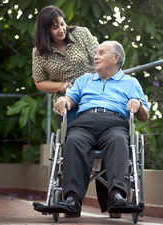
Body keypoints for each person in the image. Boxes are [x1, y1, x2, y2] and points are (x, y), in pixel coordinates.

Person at [52, 40, 149, 216]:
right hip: (84, 124)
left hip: (114, 124)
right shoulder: (84, 80)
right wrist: (63, 100)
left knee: (119, 140)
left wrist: (138, 104)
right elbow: (71, 99)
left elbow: (144, 116)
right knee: (72, 140)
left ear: (115, 58)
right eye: (95, 53)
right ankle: (72, 199)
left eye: (101, 53)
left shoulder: (130, 82)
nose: (95, 57)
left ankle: (116, 196)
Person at [32, 5, 99, 127]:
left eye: (62, 24)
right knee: (69, 135)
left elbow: (101, 58)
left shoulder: (81, 34)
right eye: (55, 27)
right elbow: (39, 82)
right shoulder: (39, 52)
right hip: (66, 98)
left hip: (93, 91)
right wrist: (61, 86)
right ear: (46, 30)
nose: (61, 29)